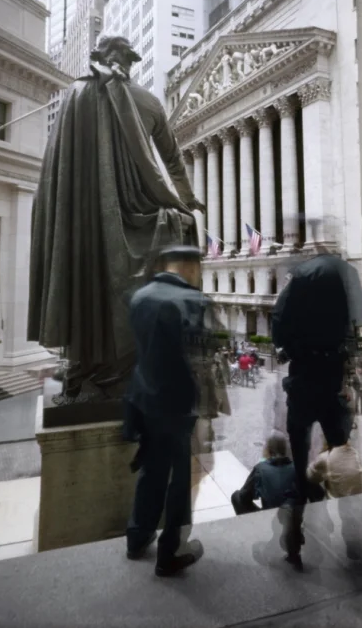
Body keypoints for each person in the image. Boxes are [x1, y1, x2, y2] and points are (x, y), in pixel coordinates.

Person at [28, 36, 205, 399]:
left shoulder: (77, 93)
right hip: (130, 215)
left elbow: (58, 172)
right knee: (177, 235)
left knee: (93, 273)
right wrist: (186, 201)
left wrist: (186, 201)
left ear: (101, 57)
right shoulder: (139, 100)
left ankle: (97, 363)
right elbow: (172, 161)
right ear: (130, 62)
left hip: (90, 218)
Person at [125, 245, 212, 577]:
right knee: (180, 480)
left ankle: (138, 536)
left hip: (143, 398)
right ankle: (171, 551)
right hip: (177, 406)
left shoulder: (141, 296)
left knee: (152, 470)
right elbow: (198, 360)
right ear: (191, 267)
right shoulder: (192, 300)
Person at [272, 253, 353, 567]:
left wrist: (290, 346)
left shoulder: (301, 276)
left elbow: (279, 321)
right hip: (332, 379)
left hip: (304, 381)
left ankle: (294, 536)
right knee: (342, 455)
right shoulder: (347, 274)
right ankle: (352, 534)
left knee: (299, 460)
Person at [231, 431, 296, 515]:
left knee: (236, 497)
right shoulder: (297, 468)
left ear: (268, 450)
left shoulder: (261, 469)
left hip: (269, 519)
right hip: (293, 519)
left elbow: (243, 497)